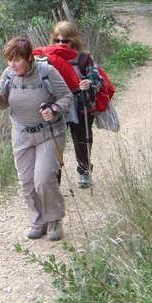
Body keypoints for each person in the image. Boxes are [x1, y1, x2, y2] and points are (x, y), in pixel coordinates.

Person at [0, 37, 73, 241]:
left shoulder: (47, 72)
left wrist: (54, 109)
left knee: (43, 180)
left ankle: (54, 219)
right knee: (27, 182)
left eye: (17, 60)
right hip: (21, 135)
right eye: (9, 60)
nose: (12, 65)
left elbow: (67, 97)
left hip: (48, 133)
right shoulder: (8, 74)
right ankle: (38, 221)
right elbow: (2, 103)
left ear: (29, 58)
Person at [45, 21, 102, 189]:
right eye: (57, 40)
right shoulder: (48, 57)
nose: (61, 44)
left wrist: (89, 83)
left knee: (82, 140)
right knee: (54, 142)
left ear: (73, 41)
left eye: (65, 41)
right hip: (59, 105)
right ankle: (54, 180)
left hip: (81, 105)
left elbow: (98, 80)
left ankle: (84, 171)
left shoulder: (84, 58)